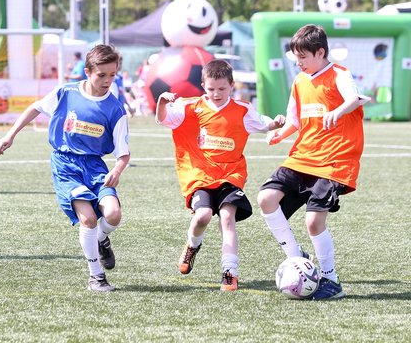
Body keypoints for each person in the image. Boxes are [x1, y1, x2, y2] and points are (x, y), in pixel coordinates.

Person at [0, 44, 130, 292]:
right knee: (88, 219)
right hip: (65, 165)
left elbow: (123, 153)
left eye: (112, 75)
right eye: (102, 75)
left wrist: (117, 171)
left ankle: (102, 239)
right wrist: (10, 136)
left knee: (113, 214)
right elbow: (35, 108)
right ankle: (96, 276)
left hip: (95, 166)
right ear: (87, 71)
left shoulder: (115, 109)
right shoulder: (66, 93)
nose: (107, 80)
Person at [257, 24, 370, 300]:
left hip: (334, 159)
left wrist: (338, 111)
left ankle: (331, 281)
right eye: (296, 57)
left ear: (320, 52)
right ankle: (296, 257)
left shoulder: (339, 74)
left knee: (313, 222)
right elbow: (295, 119)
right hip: (303, 156)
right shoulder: (299, 81)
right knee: (266, 199)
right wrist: (279, 135)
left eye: (303, 57)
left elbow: (354, 98)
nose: (299, 63)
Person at [156, 59, 284, 291]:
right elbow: (164, 119)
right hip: (199, 175)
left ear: (232, 85)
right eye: (211, 89)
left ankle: (229, 272)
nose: (216, 93)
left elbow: (264, 123)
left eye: (222, 89)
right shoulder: (190, 107)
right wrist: (161, 103)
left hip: (230, 175)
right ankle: (192, 246)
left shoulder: (242, 110)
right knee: (203, 216)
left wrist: (276, 123)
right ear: (203, 85)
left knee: (227, 217)